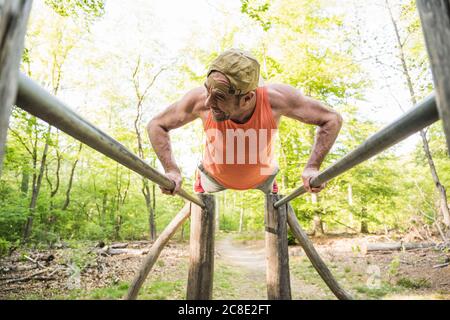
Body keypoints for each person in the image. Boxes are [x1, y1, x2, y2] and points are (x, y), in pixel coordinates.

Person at [147, 48, 342, 196]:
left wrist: (312, 167)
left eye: (219, 97)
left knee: (279, 211)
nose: (208, 102)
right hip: (212, 178)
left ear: (248, 98)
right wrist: (171, 170)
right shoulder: (198, 100)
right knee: (198, 214)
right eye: (207, 90)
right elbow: (157, 125)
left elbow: (331, 119)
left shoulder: (276, 100)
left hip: (264, 178)